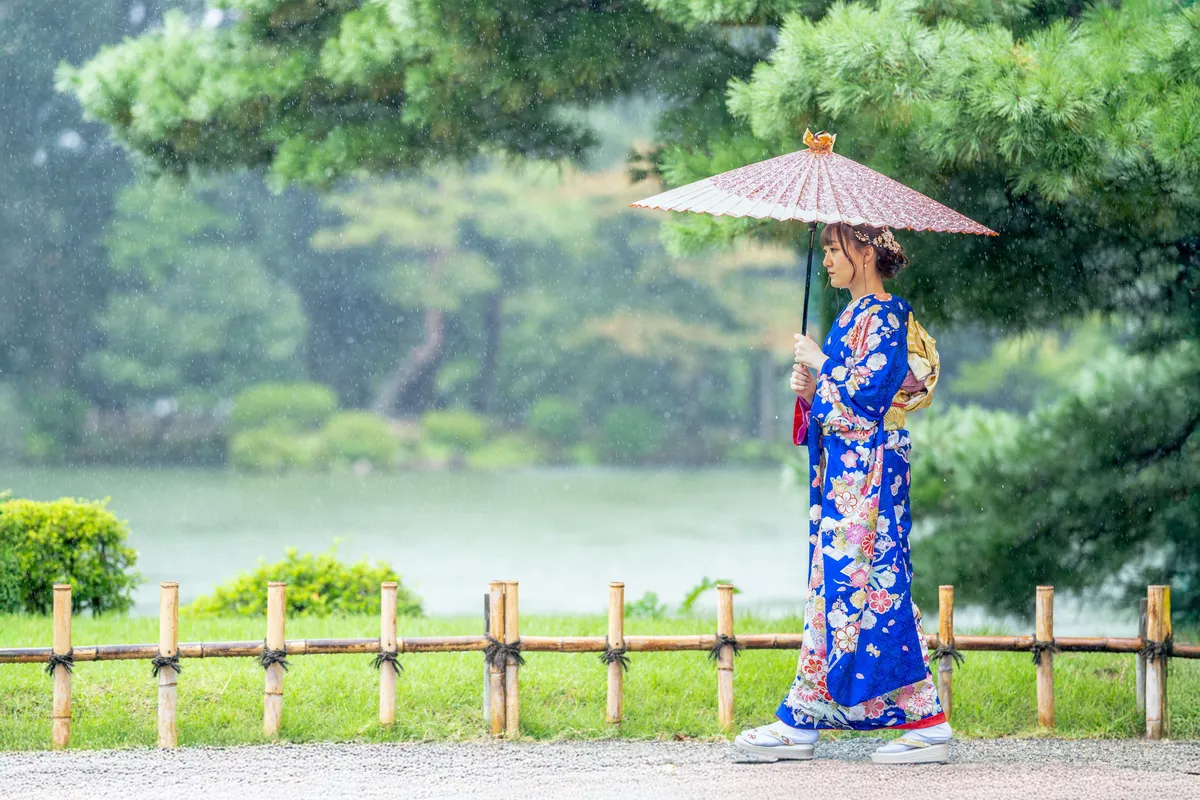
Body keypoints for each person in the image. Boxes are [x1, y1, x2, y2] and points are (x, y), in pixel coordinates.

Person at [733, 222, 950, 765]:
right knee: (839, 590)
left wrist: (821, 363)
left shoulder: (887, 316)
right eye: (826, 249)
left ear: (867, 251)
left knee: (873, 586)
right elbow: (838, 403)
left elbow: (870, 401)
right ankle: (812, 715)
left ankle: (917, 722)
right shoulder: (851, 318)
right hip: (847, 475)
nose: (827, 260)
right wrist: (810, 391)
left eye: (835, 249)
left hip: (871, 474)